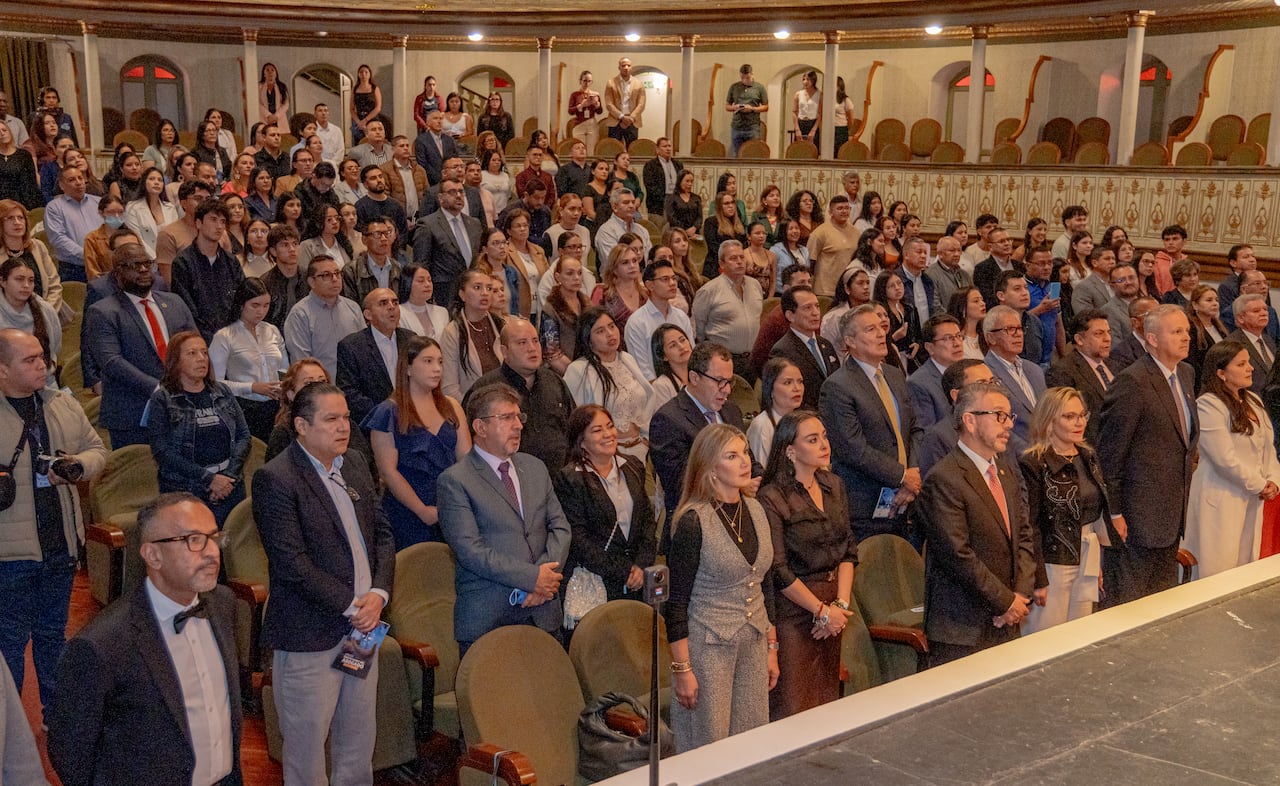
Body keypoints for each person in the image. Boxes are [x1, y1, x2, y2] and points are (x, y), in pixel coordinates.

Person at [252, 381, 394, 785]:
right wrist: (355, 606)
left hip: (362, 633)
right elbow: (292, 564)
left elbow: (382, 533)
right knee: (307, 753)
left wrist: (379, 596)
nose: (343, 427)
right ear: (301, 425)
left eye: (346, 417)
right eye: (331, 419)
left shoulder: (354, 464)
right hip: (310, 635)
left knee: (357, 741)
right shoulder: (276, 479)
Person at [48, 493, 240, 786]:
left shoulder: (223, 604)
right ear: (152, 555)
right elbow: (71, 756)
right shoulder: (101, 645)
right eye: (194, 540)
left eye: (214, 537)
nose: (212, 552)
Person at [0, 328, 104, 716]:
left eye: (42, 356)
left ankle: (56, 715)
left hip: (59, 544)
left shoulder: (62, 404)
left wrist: (77, 467)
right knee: (8, 641)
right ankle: (7, 728)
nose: (42, 364)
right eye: (29, 360)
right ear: (2, 370)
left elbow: (97, 450)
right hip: (10, 552)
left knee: (51, 635)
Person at [665, 423, 777, 752]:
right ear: (711, 467)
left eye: (745, 453)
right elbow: (675, 605)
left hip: (754, 640)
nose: (745, 462)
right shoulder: (692, 522)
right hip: (708, 646)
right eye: (732, 455)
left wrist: (772, 647)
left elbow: (764, 583)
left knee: (752, 740)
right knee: (709, 743)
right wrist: (682, 669)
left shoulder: (756, 509)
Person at [437, 383, 570, 654]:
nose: (518, 425)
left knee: (552, 694)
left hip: (543, 611)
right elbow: (470, 551)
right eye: (506, 418)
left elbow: (560, 528)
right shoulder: (455, 481)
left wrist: (544, 578)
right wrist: (532, 577)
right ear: (480, 427)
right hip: (490, 616)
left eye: (518, 417)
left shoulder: (535, 467)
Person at [917, 380, 1037, 665]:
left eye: (1009, 416)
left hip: (1006, 620)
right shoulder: (944, 478)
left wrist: (1020, 594)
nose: (1008, 424)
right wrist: (1006, 602)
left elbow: (1023, 535)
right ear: (969, 421)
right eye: (999, 415)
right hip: (962, 628)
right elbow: (958, 556)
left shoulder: (1004, 470)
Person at [1099, 304, 1199, 607]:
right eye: (1176, 331)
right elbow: (1111, 453)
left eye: (1187, 331)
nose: (1186, 338)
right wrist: (1114, 512)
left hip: (1171, 514)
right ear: (1152, 339)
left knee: (1161, 604)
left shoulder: (1185, 372)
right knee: (1131, 605)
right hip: (1136, 517)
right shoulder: (1133, 381)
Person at [757, 410, 853, 719]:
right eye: (813, 439)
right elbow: (778, 570)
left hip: (834, 605)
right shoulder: (772, 497)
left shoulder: (833, 484)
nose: (824, 444)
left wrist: (838, 606)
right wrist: (821, 612)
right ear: (790, 450)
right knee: (795, 705)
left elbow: (849, 551)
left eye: (824, 436)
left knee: (827, 700)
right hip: (795, 611)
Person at [820, 304, 923, 543]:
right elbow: (852, 449)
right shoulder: (838, 386)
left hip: (905, 497)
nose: (881, 333)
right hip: (865, 504)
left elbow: (914, 428)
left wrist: (913, 474)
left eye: (880, 327)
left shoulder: (894, 375)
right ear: (850, 341)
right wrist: (901, 476)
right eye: (870, 329)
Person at [1019, 387, 1118, 633]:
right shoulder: (1033, 463)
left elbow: (1095, 511)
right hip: (1053, 561)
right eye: (1069, 416)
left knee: (1080, 634)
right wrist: (1037, 578)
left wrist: (1096, 566)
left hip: (1086, 552)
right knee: (1046, 639)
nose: (1079, 422)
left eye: (1082, 415)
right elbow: (1030, 526)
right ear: (1049, 421)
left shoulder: (1087, 455)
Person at [365, 335, 469, 550]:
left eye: (440, 361)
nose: (437, 368)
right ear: (408, 368)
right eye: (428, 361)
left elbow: (466, 460)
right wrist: (421, 510)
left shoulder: (451, 406)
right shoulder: (389, 412)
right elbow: (388, 472)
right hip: (408, 512)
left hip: (450, 507)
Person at [1186, 340, 1280, 579]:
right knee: (1219, 568)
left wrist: (1274, 481)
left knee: (1245, 566)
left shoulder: (1254, 401)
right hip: (1220, 497)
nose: (1250, 368)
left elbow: (1268, 450)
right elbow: (1224, 459)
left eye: (1249, 362)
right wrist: (1260, 485)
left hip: (1251, 498)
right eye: (1241, 364)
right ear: (1221, 373)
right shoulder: (1208, 405)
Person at [89, 244, 197, 446]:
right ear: (117, 272)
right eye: (134, 265)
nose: (143, 269)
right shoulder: (103, 312)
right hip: (133, 413)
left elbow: (195, 346)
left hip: (183, 406)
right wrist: (159, 388)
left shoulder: (174, 302)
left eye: (147, 263)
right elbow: (111, 362)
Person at [553, 403, 656, 605]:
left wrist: (640, 565)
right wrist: (622, 571)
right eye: (597, 430)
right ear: (581, 441)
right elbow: (578, 538)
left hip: (638, 577)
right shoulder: (570, 479)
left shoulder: (633, 466)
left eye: (610, 426)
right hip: (600, 581)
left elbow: (646, 520)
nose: (608, 434)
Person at [145, 330, 251, 527]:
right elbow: (162, 451)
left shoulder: (222, 391)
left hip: (230, 485)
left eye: (204, 353)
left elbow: (244, 436)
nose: (201, 359)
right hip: (186, 488)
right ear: (175, 361)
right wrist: (208, 479)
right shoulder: (163, 398)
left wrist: (228, 477)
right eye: (192, 354)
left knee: (230, 549)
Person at [651, 341, 762, 527]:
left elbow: (749, 458)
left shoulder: (731, 411)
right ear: (694, 378)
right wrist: (737, 485)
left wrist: (759, 478)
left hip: (737, 515)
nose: (727, 390)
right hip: (696, 522)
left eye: (729, 381)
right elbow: (680, 484)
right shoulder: (668, 419)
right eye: (719, 381)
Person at [564, 307, 655, 462]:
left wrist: (645, 439)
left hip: (641, 449)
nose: (610, 333)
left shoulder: (626, 359)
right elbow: (575, 420)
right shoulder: (578, 370)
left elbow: (648, 401)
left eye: (612, 326)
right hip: (604, 455)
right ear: (588, 339)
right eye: (600, 331)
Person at [207, 277, 286, 443]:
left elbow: (285, 369)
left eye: (266, 305)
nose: (261, 311)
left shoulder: (272, 330)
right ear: (241, 304)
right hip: (244, 407)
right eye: (255, 305)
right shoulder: (225, 336)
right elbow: (215, 383)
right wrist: (252, 387)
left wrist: (285, 386)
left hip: (276, 405)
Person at [335, 287, 415, 428]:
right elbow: (349, 393)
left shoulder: (411, 339)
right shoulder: (351, 346)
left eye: (395, 302)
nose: (392, 307)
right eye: (383, 303)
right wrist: (387, 413)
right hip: (373, 424)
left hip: (412, 419)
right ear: (368, 314)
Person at [171, 197, 244, 341]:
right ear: (199, 223)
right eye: (213, 219)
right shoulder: (183, 263)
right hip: (199, 338)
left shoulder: (231, 261)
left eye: (223, 221)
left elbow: (241, 300)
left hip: (234, 336)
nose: (219, 226)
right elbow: (187, 310)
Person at [283, 255, 365, 379]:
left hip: (356, 386)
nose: (335, 279)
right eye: (326, 275)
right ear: (312, 282)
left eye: (337, 273)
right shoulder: (300, 314)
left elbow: (364, 350)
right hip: (320, 389)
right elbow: (302, 364)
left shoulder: (353, 307)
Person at [693, 240, 763, 383]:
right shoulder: (709, 290)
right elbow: (698, 330)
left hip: (752, 358)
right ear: (722, 264)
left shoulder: (755, 285)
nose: (739, 262)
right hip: (723, 360)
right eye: (733, 258)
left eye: (741, 257)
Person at [1045, 309, 1116, 445]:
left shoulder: (1116, 365)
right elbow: (1071, 420)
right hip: (1097, 446)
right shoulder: (1062, 372)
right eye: (1099, 334)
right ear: (1079, 339)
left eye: (1108, 332)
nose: (1108, 338)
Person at [917, 359, 996, 479]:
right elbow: (941, 490)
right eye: (982, 384)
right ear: (956, 395)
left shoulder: (999, 423)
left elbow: (1016, 481)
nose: (992, 390)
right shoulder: (938, 438)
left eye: (992, 382)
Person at [413, 176, 483, 309]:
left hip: (472, 293)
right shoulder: (428, 224)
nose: (458, 196)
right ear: (440, 198)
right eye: (452, 192)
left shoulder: (474, 224)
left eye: (461, 192)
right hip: (443, 295)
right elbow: (421, 264)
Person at [769, 285, 840, 411]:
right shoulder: (782, 351)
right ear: (790, 315)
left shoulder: (825, 344)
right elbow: (786, 398)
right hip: (806, 419)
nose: (815, 312)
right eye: (807, 308)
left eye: (817, 306)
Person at [908, 314, 967, 432]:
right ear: (930, 348)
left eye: (958, 336)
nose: (957, 343)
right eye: (948, 338)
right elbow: (928, 434)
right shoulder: (919, 384)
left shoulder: (968, 372)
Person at [746, 357, 805, 468]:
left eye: (800, 382)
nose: (797, 388)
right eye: (788, 382)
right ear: (771, 388)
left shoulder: (804, 422)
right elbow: (760, 473)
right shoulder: (762, 426)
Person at [806, 194, 857, 298]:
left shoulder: (856, 232)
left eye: (847, 208)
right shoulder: (820, 233)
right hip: (825, 291)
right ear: (830, 212)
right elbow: (809, 262)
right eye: (840, 208)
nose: (844, 211)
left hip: (848, 289)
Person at [1226, 293, 1275, 395]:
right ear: (1240, 318)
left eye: (1265, 309)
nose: (1263, 313)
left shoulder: (1268, 340)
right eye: (1256, 311)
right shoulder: (1232, 344)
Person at [821, 266, 872, 351]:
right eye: (860, 283)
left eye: (868, 283)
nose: (866, 287)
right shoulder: (834, 317)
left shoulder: (871, 311)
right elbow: (827, 347)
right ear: (847, 288)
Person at [725, 63, 768, 155]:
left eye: (747, 78)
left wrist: (752, 108)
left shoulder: (759, 88)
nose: (745, 80)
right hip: (737, 126)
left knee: (752, 153)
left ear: (752, 74)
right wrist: (735, 107)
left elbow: (766, 107)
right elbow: (727, 106)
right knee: (736, 154)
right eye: (742, 78)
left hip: (752, 127)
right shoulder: (734, 87)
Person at [398, 263, 450, 339]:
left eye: (429, 280)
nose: (427, 284)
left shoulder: (442, 312)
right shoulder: (399, 312)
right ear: (408, 283)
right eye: (421, 281)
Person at [605, 57, 646, 147]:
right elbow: (609, 104)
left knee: (632, 149)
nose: (626, 67)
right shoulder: (611, 83)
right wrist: (621, 117)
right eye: (623, 65)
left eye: (628, 65)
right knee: (614, 149)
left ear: (631, 67)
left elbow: (641, 104)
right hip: (615, 121)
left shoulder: (639, 83)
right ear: (619, 67)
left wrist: (631, 118)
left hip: (633, 121)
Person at [0, 123, 41, 211]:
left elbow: (31, 183)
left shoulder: (24, 155)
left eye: (4, 130)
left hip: (24, 203)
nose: (2, 133)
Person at [791, 70, 823, 148]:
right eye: (803, 79)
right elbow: (794, 112)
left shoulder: (819, 94)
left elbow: (820, 114)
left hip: (812, 123)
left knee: (812, 149)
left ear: (813, 80)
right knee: (799, 149)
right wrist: (797, 129)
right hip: (801, 123)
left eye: (808, 79)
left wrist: (814, 130)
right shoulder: (798, 94)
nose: (805, 82)